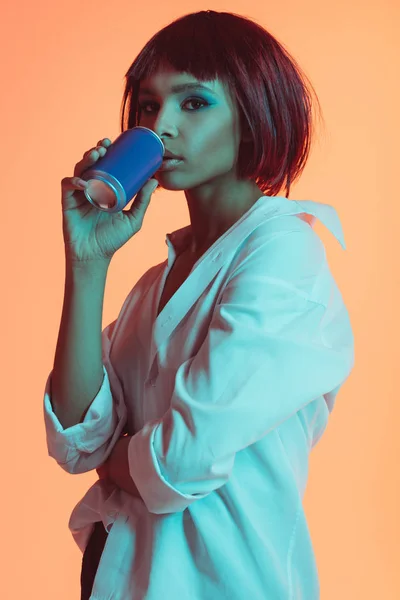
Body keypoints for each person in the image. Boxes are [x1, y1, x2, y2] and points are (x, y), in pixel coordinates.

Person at [44, 10, 355, 600]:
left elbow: (179, 462)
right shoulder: (152, 285)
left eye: (194, 103)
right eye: (147, 106)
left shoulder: (282, 252)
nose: (161, 126)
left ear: (252, 117)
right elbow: (77, 440)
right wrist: (87, 264)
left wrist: (115, 464)